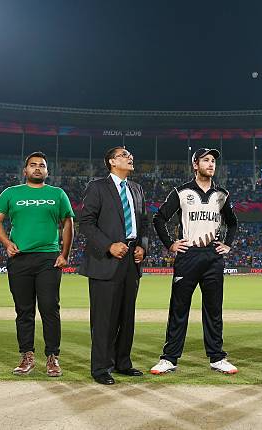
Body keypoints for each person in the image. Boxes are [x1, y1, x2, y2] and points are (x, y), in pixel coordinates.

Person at [150, 148, 239, 375]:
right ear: (195, 164)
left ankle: (217, 357)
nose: (211, 164)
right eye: (205, 160)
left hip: (212, 257)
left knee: (213, 309)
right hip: (188, 255)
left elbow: (233, 223)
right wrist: (170, 244)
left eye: (213, 161)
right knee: (179, 309)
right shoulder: (180, 192)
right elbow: (159, 218)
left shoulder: (222, 194)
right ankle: (169, 358)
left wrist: (227, 244)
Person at [0, 151, 74, 377]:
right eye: (33, 165)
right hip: (20, 259)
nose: (38, 168)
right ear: (25, 170)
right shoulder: (11, 193)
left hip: (49, 258)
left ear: (47, 171)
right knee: (24, 311)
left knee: (49, 308)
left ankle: (52, 357)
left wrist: (64, 253)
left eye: (42, 165)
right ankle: (27, 355)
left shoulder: (57, 194)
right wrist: (7, 243)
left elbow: (68, 224)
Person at [78, 146, 149, 385]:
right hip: (105, 260)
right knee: (104, 318)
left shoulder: (137, 189)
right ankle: (100, 368)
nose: (130, 157)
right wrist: (108, 246)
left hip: (131, 260)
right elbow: (86, 223)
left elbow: (144, 224)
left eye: (131, 154)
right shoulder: (97, 187)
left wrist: (143, 247)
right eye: (124, 155)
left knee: (126, 316)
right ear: (111, 161)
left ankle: (122, 362)